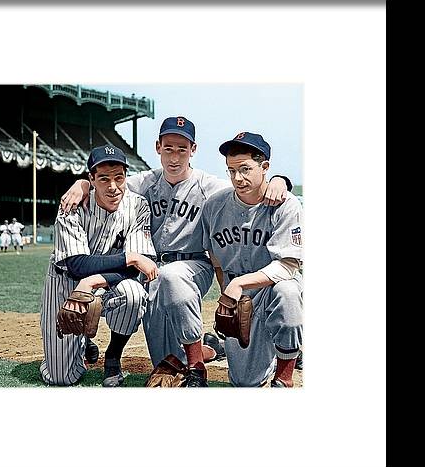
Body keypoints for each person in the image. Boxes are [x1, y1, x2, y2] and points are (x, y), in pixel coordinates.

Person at [60, 116, 292, 387]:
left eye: (182, 149)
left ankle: (198, 365)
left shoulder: (209, 186)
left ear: (193, 150)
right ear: (158, 147)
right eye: (168, 148)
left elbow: (248, 185)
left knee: (170, 282)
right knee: (167, 359)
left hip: (193, 265)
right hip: (149, 269)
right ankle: (209, 350)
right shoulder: (143, 182)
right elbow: (110, 181)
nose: (175, 156)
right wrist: (82, 183)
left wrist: (280, 179)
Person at [39, 145, 158, 387]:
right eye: (103, 179)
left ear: (126, 176)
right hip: (66, 281)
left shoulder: (138, 205)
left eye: (119, 178)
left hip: (109, 280)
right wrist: (130, 257)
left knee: (134, 294)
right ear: (91, 179)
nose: (113, 187)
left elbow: (139, 269)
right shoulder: (71, 205)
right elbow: (76, 265)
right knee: (61, 378)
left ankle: (113, 357)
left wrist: (94, 281)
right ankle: (80, 344)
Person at [202, 132, 303, 387]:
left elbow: (289, 265)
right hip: (239, 296)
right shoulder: (214, 206)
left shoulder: (286, 205)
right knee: (246, 383)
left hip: (270, 287)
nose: (238, 178)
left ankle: (285, 376)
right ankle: (226, 348)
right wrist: (227, 296)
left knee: (288, 292)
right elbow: (215, 259)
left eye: (245, 169)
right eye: (232, 170)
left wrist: (239, 284)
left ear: (265, 167)